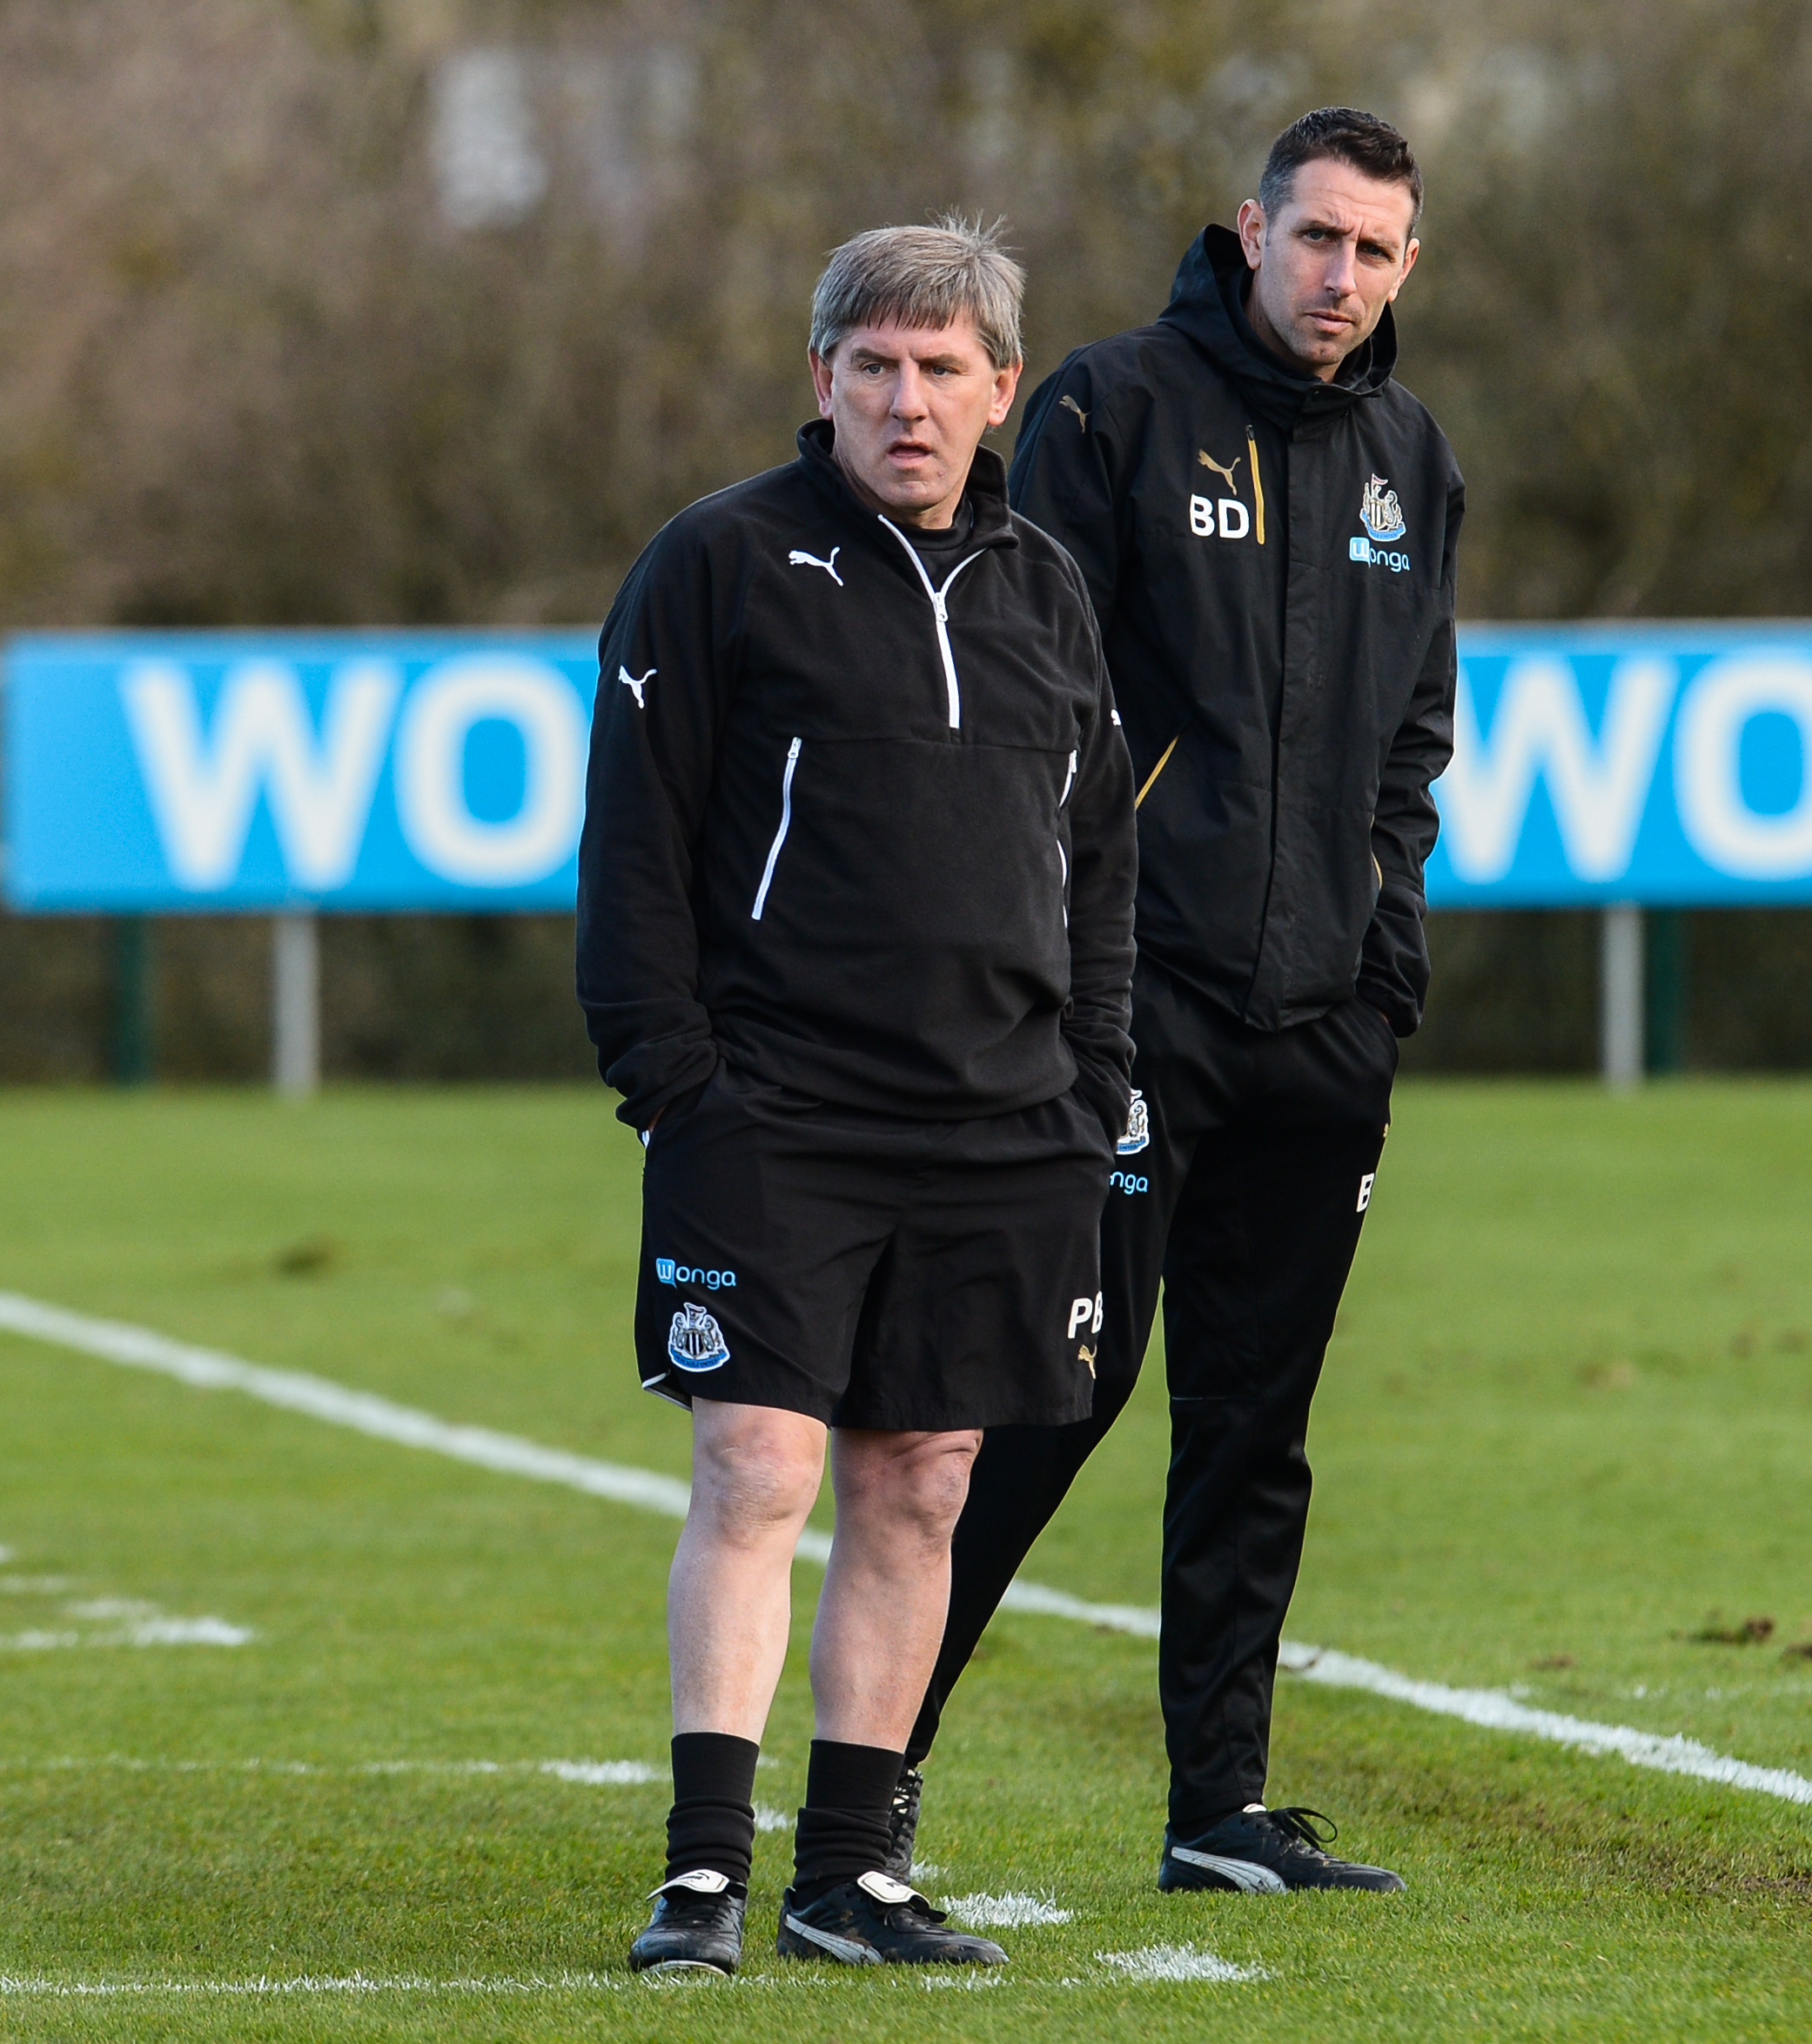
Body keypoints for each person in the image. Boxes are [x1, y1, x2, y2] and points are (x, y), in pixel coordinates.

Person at [901, 108, 1460, 1895]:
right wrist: (1060, 972)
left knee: (1254, 1421)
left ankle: (1217, 1805)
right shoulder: (1109, 408)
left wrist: (1386, 958)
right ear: (1250, 227)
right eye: (1316, 240)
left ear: (1407, 266)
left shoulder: (1411, 456)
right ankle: (866, 1778)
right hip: (1131, 1012)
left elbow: (1412, 740)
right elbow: (1019, 702)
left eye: (1375, 252)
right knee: (1054, 1393)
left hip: (1322, 1024)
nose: (1340, 279)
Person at [575, 217, 1137, 1974]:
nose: (907, 400)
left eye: (942, 370)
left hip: (1005, 1122)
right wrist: (677, 1080)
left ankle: (852, 1869)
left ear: (1001, 392)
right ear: (820, 379)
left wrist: (1094, 1073)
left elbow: (1102, 863)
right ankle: (701, 1871)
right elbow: (635, 849)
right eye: (873, 367)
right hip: (777, 1114)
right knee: (754, 1467)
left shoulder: (1050, 587)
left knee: (924, 1480)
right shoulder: (716, 562)